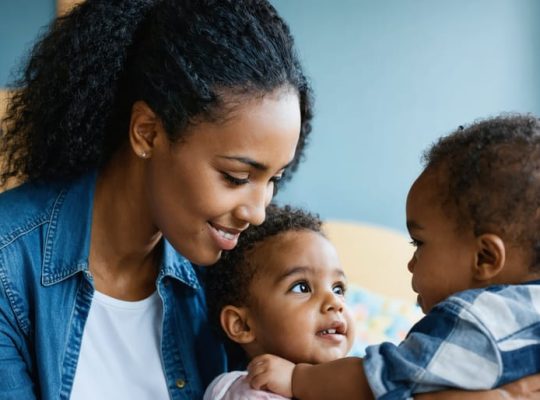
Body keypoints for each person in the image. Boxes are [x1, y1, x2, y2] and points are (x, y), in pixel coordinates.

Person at [0, 0, 313, 399]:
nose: (257, 212)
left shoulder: (237, 273)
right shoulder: (8, 268)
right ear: (147, 133)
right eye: (236, 177)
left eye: (275, 179)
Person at [245, 115, 540, 399]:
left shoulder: (474, 318)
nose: (411, 263)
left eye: (419, 243)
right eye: (302, 287)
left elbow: (376, 381)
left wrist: (298, 378)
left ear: (485, 258)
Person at [203, 204, 355, 399]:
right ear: (242, 325)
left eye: (338, 289)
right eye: (302, 287)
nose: (334, 302)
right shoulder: (251, 391)